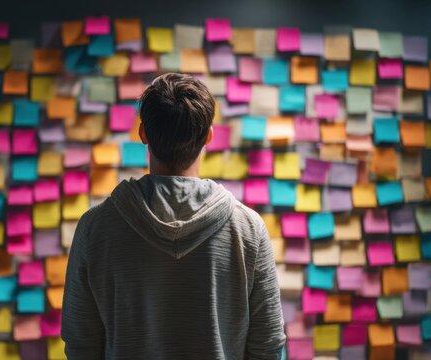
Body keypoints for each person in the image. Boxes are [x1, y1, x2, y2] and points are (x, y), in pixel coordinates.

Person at [62, 73, 286, 359]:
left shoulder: (95, 228)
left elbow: (81, 345)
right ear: (209, 136)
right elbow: (267, 346)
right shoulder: (248, 229)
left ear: (143, 133)